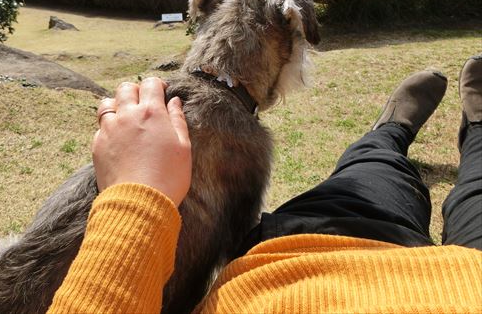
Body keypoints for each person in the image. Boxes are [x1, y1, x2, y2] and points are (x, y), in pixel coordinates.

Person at [47, 56, 482, 314]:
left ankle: (388, 134)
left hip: (304, 266)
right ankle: (476, 129)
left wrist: (137, 193)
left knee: (371, 169)